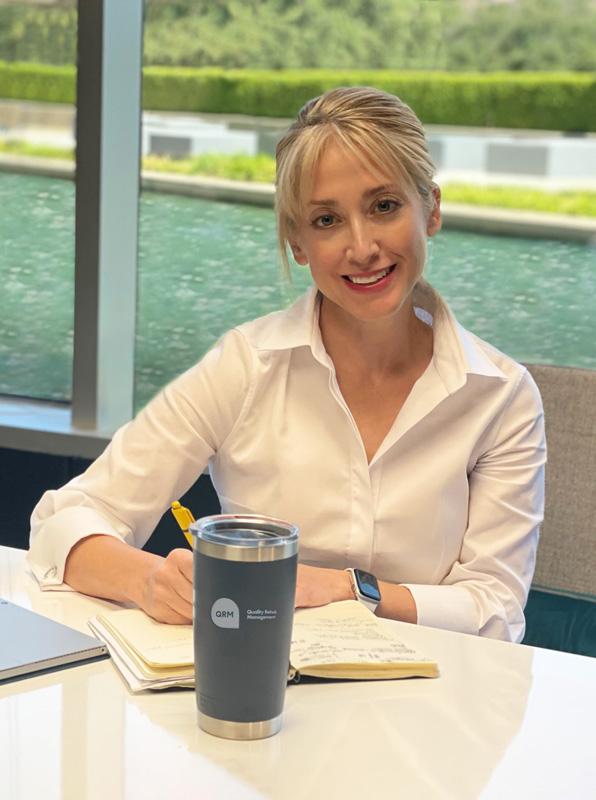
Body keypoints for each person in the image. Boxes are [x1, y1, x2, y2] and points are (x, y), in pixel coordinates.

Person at [28, 86, 546, 642]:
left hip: (434, 700)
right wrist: (150, 579)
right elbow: (63, 520)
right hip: (259, 686)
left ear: (432, 210)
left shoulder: (502, 396)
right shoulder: (245, 367)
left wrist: (349, 590)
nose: (363, 246)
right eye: (326, 221)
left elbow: (495, 609)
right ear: (298, 242)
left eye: (384, 207)